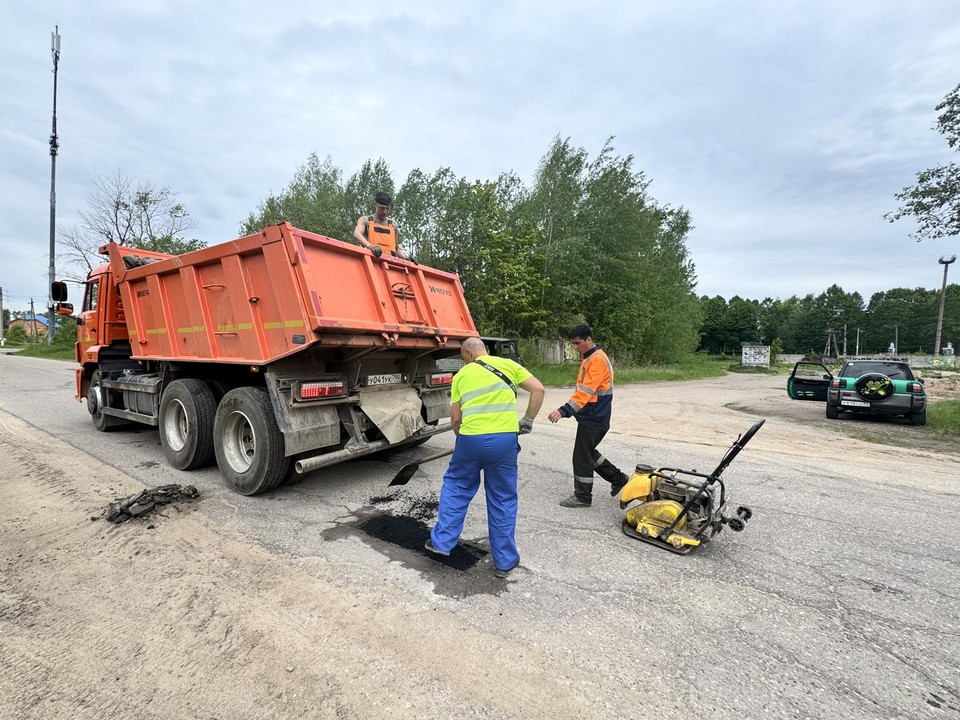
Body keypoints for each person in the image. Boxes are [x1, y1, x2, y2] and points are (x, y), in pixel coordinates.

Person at [425, 337, 545, 578]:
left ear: (469, 353)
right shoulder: (509, 365)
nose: (463, 361)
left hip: (469, 440)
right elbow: (539, 389)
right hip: (504, 441)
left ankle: (442, 543)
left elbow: (456, 418)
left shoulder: (461, 376)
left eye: (462, 357)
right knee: (502, 497)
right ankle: (504, 561)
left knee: (457, 487)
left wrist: (463, 440)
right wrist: (528, 420)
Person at [547, 324, 629, 507]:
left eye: (578, 343)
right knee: (588, 453)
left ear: (589, 340)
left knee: (582, 457)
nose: (575, 347)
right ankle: (618, 478)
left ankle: (583, 497)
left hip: (595, 418)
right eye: (573, 344)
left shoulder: (597, 360)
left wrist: (563, 411)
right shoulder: (590, 357)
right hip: (593, 417)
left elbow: (585, 392)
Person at [353, 191, 410, 260]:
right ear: (376, 205)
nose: (385, 212)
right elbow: (357, 234)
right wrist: (370, 246)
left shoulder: (393, 224)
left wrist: (407, 258)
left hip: (389, 264)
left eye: (387, 208)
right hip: (371, 262)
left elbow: (396, 249)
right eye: (382, 208)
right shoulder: (366, 220)